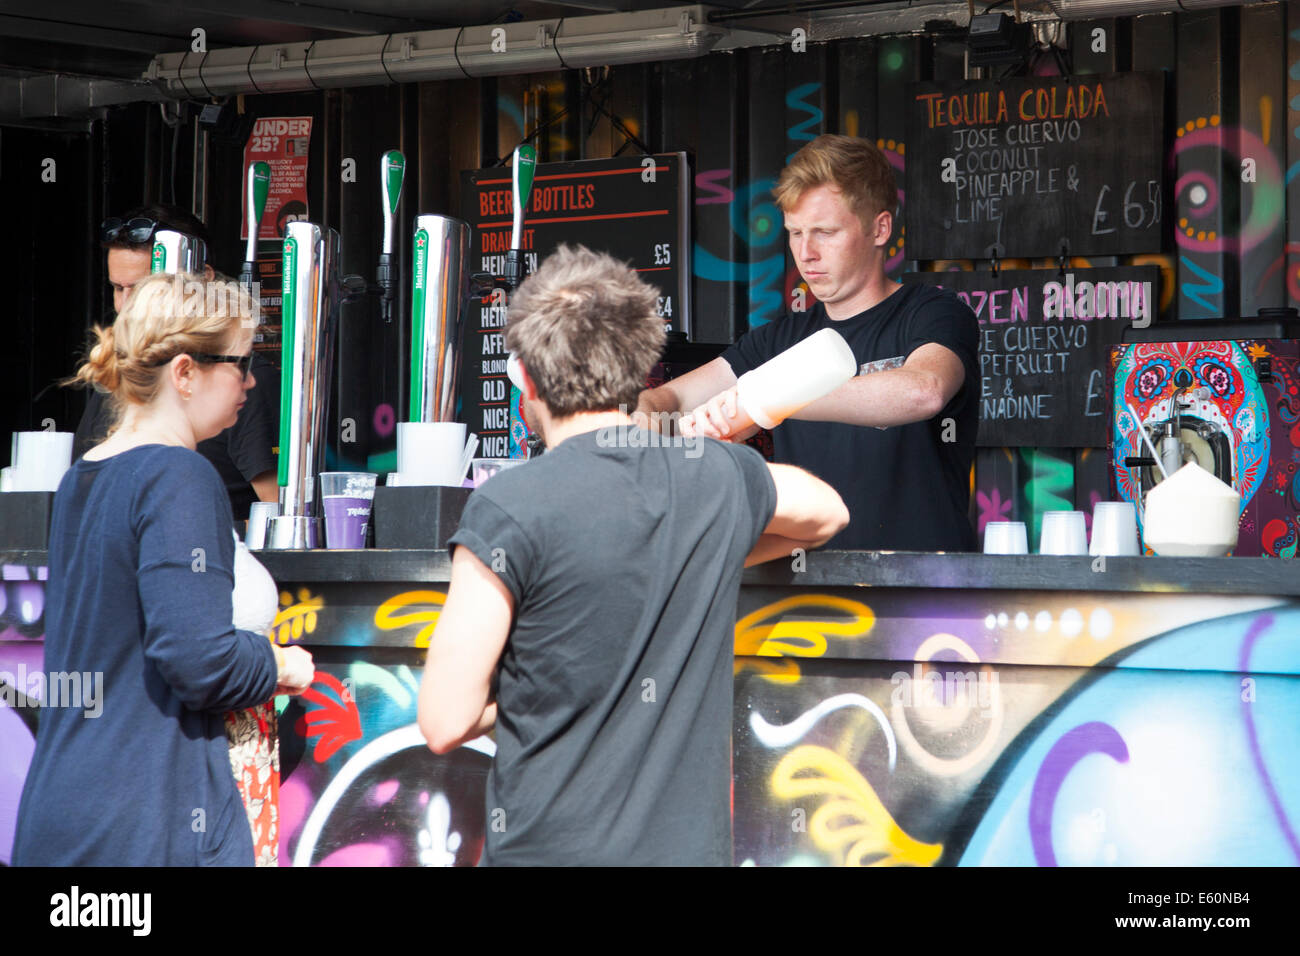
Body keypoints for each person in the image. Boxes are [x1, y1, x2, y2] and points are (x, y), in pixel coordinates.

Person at [417, 245, 848, 866]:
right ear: (641, 375)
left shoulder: (509, 504)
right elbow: (827, 512)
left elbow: (444, 721)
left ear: (528, 385)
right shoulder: (715, 479)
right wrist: (699, 550)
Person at [13, 272, 314, 866]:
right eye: (240, 362)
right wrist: (278, 663)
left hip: (69, 807)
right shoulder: (181, 476)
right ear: (184, 372)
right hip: (151, 821)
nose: (252, 381)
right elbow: (197, 660)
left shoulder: (84, 476)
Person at [637, 134, 980, 552]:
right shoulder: (778, 340)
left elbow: (923, 392)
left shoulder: (933, 312)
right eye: (795, 233)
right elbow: (670, 399)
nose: (806, 253)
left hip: (925, 594)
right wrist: (645, 422)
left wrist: (763, 401)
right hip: (806, 593)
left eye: (824, 232)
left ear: (880, 228)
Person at [74, 203, 280, 522]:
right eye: (118, 288)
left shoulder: (238, 378)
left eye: (144, 288)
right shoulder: (118, 378)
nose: (128, 305)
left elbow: (279, 512)